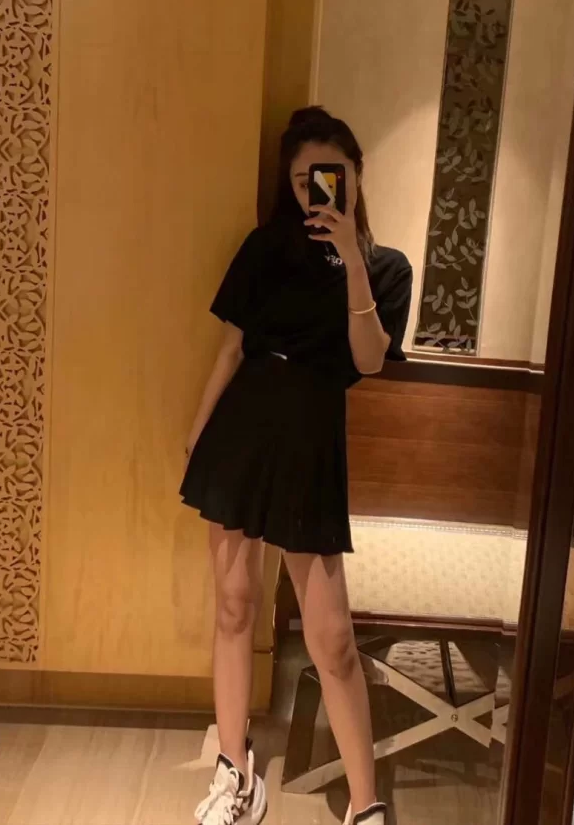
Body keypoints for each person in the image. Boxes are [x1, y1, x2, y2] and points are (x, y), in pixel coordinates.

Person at [181, 107, 413, 825]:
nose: (314, 191)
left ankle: (366, 805)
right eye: (301, 180)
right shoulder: (266, 248)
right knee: (234, 605)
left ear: (354, 174)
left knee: (333, 638)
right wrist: (198, 435)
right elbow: (231, 348)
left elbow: (368, 360)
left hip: (312, 439)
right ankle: (235, 772)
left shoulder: (386, 267)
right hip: (243, 429)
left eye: (327, 176)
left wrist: (350, 256)